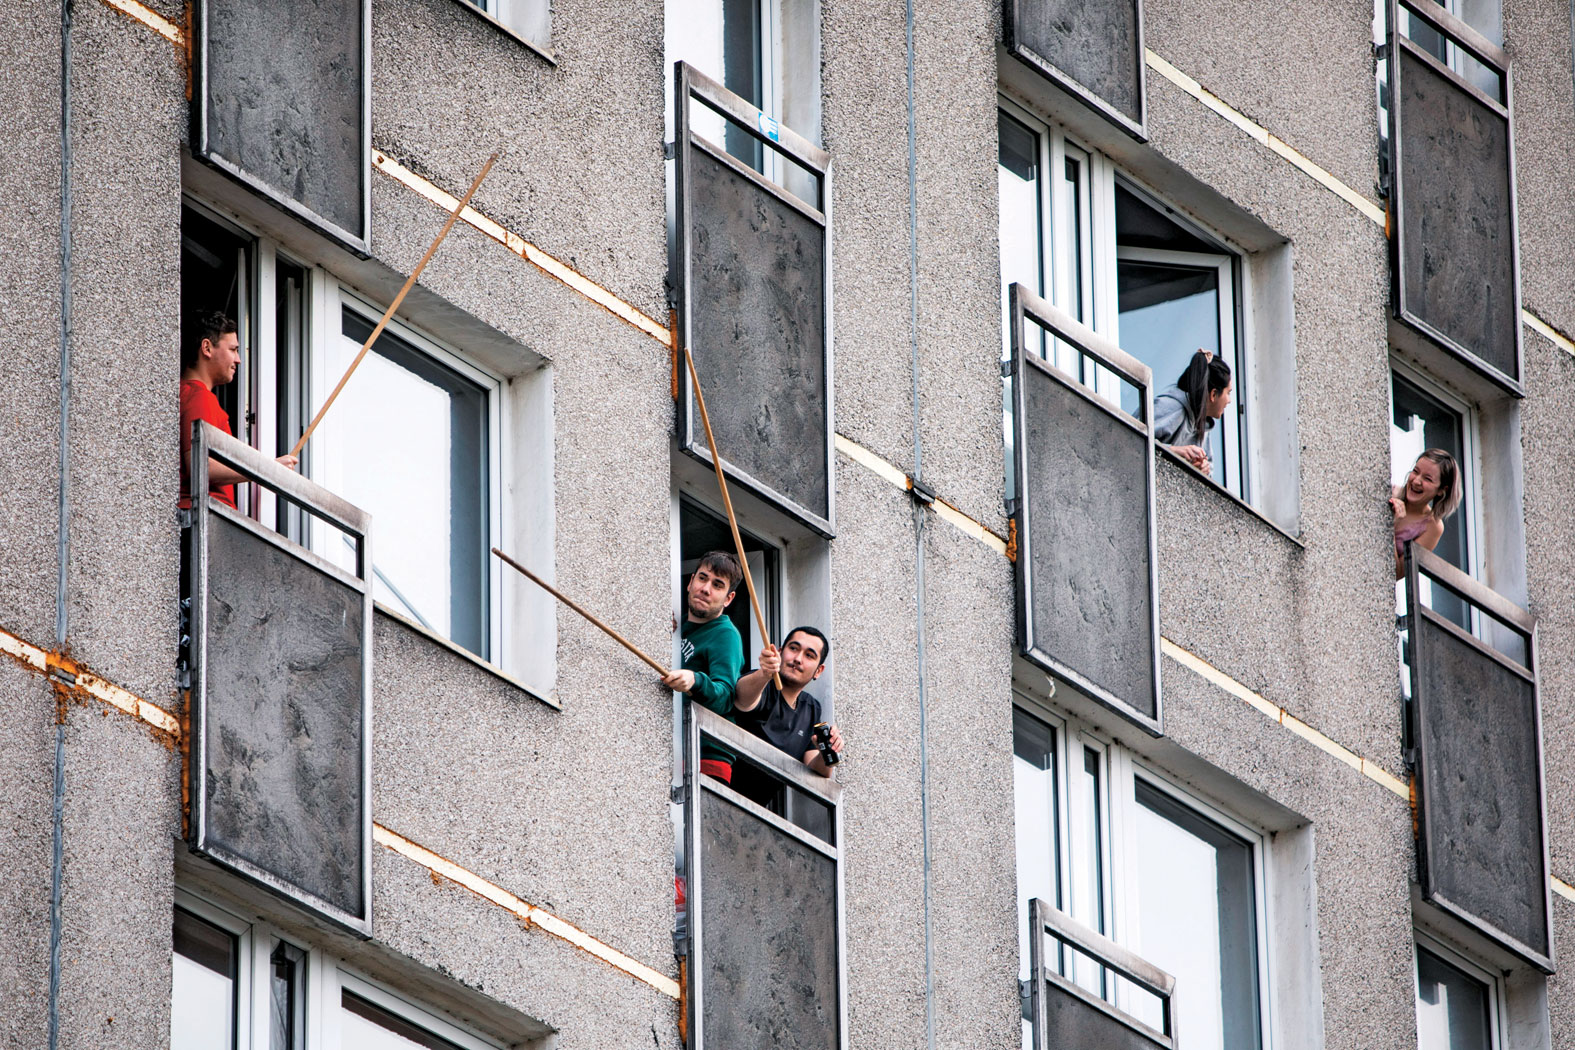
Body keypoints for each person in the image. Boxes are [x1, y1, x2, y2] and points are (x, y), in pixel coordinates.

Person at [179, 311, 296, 509]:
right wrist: (269, 469)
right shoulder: (200, 396)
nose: (238, 359)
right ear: (207, 348)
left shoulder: (183, 393)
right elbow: (199, 465)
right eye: (233, 349)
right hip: (206, 514)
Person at [661, 551, 745, 782]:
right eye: (702, 578)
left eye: (717, 585)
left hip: (705, 758)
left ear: (728, 598)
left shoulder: (725, 634)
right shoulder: (677, 626)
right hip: (671, 745)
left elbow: (726, 695)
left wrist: (695, 680)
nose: (706, 589)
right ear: (691, 582)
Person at [734, 627, 844, 777]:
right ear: (779, 652)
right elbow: (742, 698)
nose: (798, 658)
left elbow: (818, 771)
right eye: (793, 648)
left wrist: (827, 750)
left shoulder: (811, 708)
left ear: (818, 671)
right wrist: (764, 673)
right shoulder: (761, 683)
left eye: (809, 655)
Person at [1153, 349, 1232, 473]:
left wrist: (1204, 468)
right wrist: (1174, 451)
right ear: (1213, 394)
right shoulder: (1171, 407)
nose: (1229, 401)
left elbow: (1209, 468)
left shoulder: (1203, 425)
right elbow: (1132, 439)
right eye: (1228, 393)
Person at [1390, 449, 1460, 578]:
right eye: (1415, 471)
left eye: (1427, 479)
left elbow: (1397, 573)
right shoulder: (1390, 493)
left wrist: (1390, 526)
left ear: (1441, 490)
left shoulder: (1432, 526)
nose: (1416, 481)